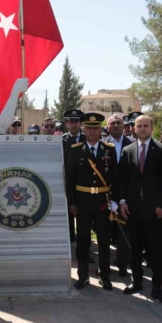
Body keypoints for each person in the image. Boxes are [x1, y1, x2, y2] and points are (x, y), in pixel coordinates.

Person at [65, 112, 118, 291]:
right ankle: (83, 275)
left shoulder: (109, 149)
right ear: (84, 129)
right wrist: (72, 202)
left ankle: (104, 275)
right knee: (82, 240)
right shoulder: (76, 150)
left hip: (103, 201)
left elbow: (114, 177)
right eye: (89, 128)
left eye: (95, 128)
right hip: (83, 201)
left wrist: (114, 200)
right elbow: (70, 179)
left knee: (104, 240)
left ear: (100, 129)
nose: (92, 131)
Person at [116, 114, 162, 298]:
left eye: (146, 125)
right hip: (133, 209)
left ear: (152, 128)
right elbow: (122, 179)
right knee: (134, 249)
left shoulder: (161, 149)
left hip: (154, 209)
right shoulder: (127, 150)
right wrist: (122, 201)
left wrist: (161, 204)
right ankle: (136, 282)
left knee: (156, 250)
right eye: (139, 126)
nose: (142, 128)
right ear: (134, 128)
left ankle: (157, 286)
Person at [103, 114, 132, 276]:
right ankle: (104, 266)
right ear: (107, 127)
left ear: (124, 126)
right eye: (112, 123)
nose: (115, 125)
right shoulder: (101, 144)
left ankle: (122, 264)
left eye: (118, 122)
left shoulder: (132, 144)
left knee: (123, 232)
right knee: (104, 232)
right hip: (105, 194)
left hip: (125, 194)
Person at [62, 109, 85, 242]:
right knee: (68, 214)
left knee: (83, 216)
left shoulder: (87, 139)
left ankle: (84, 245)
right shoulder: (61, 140)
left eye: (76, 121)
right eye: (71, 121)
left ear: (80, 123)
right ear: (67, 124)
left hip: (83, 182)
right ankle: (70, 241)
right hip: (66, 182)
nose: (74, 124)